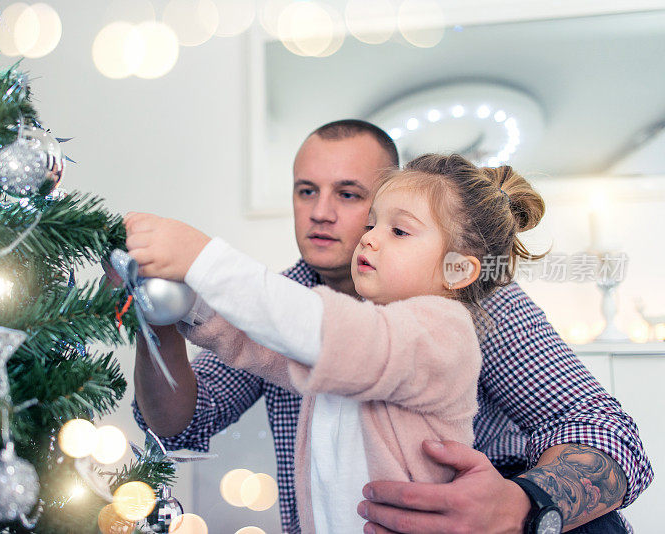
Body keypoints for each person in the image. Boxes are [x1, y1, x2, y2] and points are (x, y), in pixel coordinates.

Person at [129, 120, 652, 533]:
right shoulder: (280, 301)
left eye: (351, 195)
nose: (322, 213)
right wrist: (171, 314)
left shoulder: (465, 304)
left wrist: (518, 505)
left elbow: (608, 434)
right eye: (306, 191)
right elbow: (183, 423)